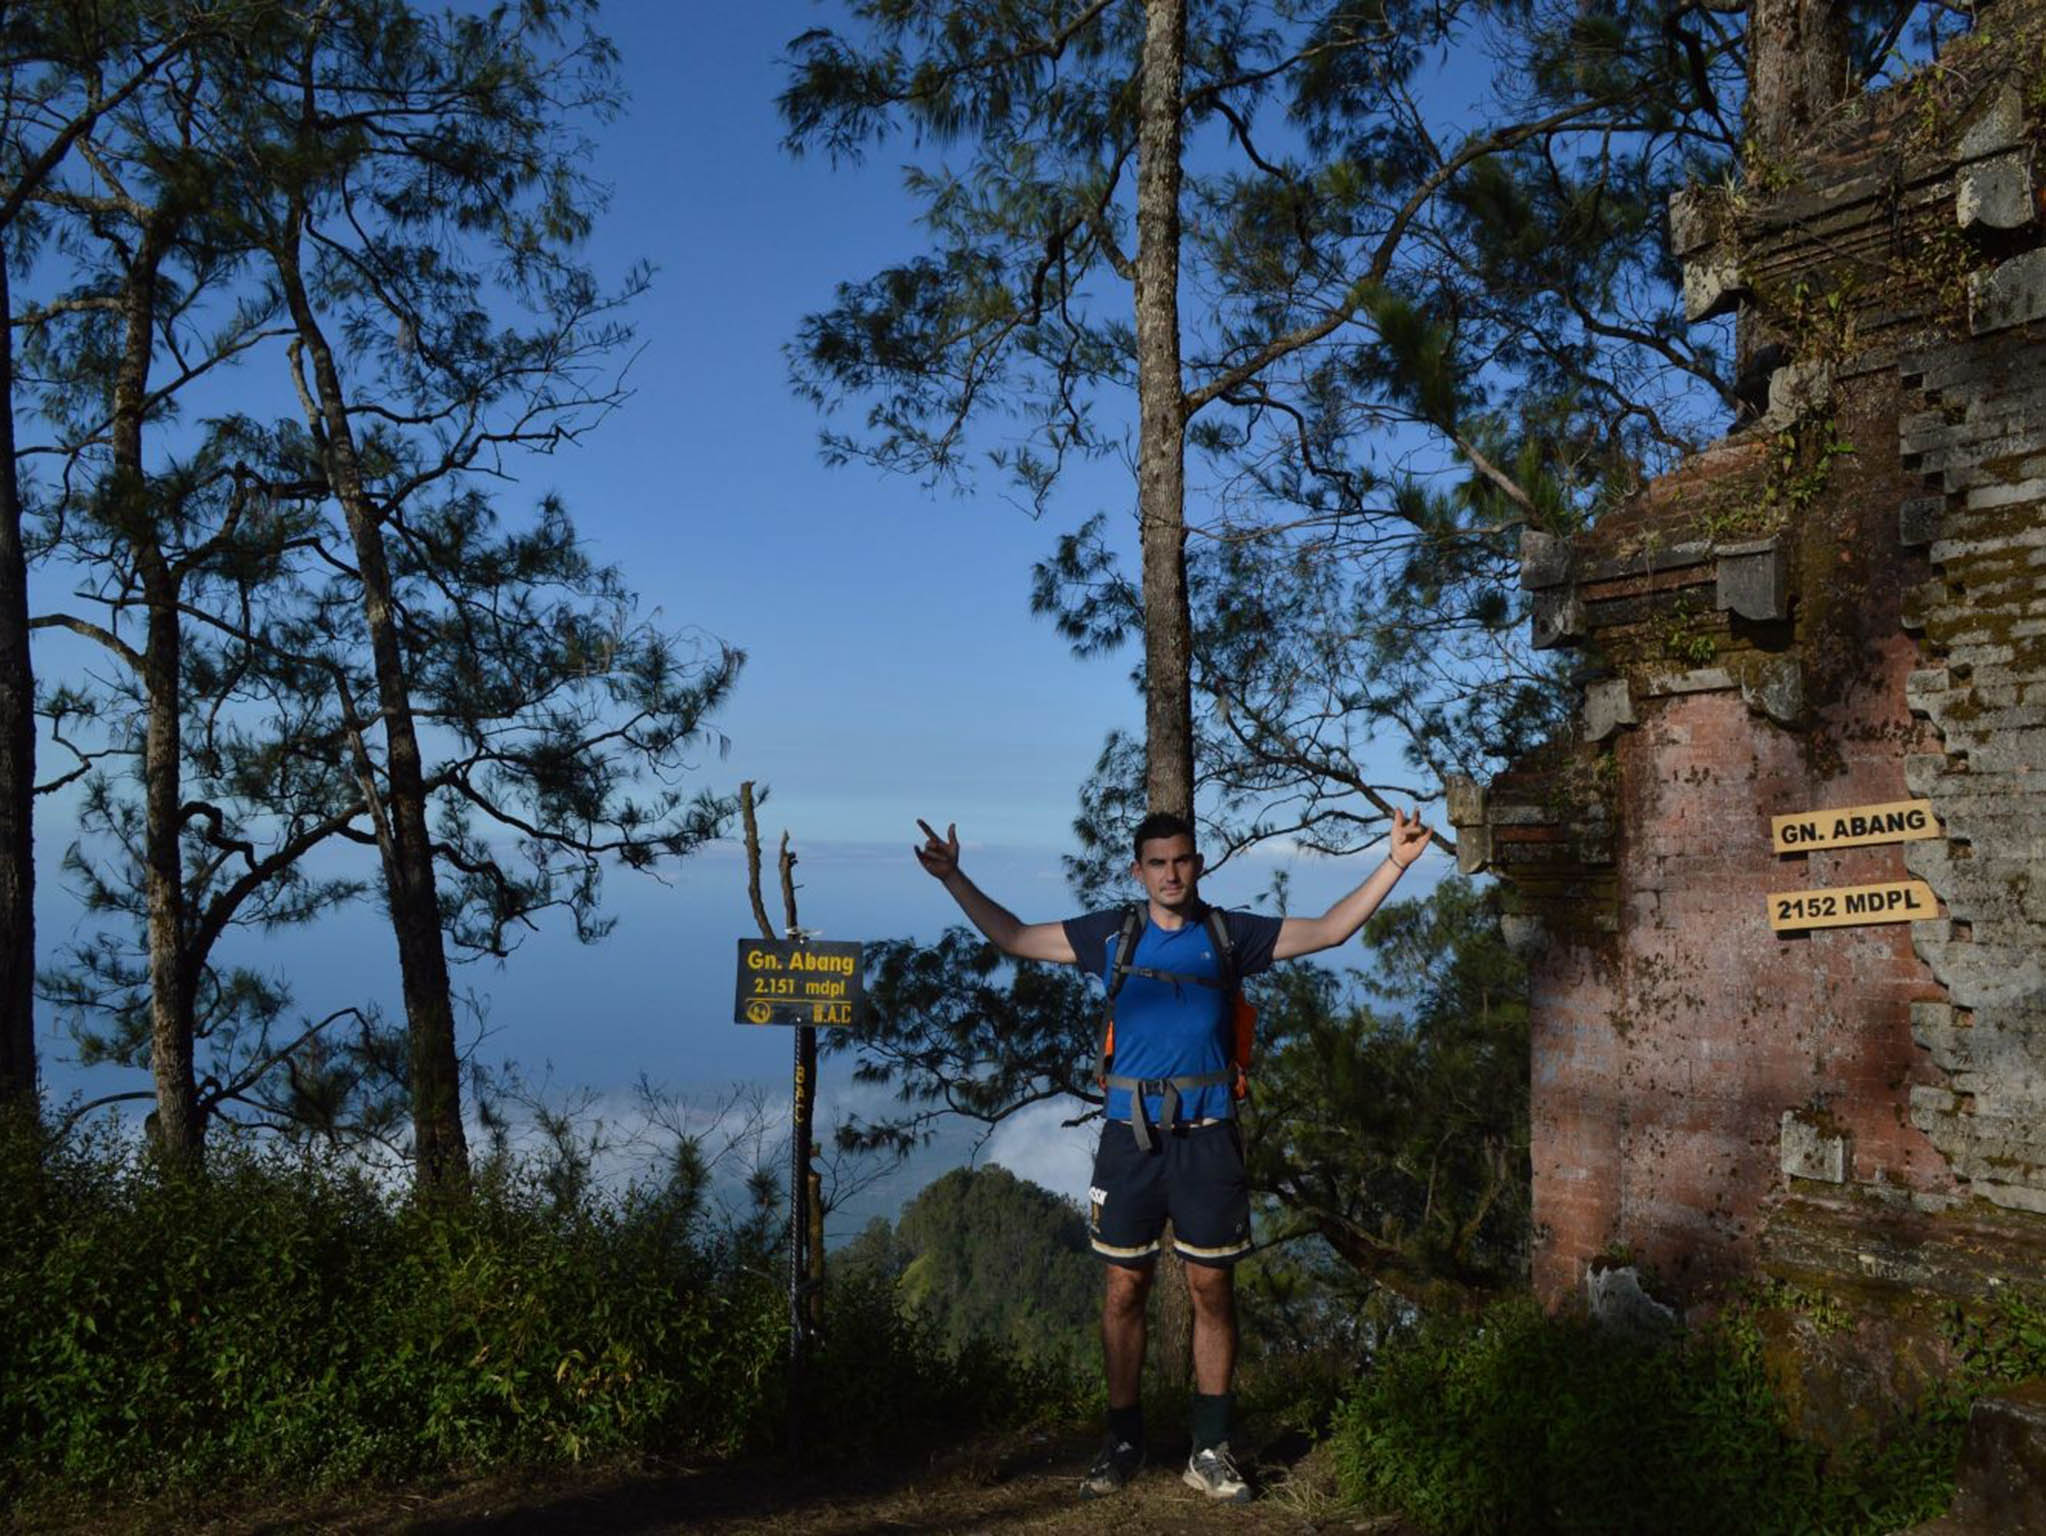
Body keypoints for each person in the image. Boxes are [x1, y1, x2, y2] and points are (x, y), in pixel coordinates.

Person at [913, 806, 1431, 1503]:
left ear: (1199, 865)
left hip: (1210, 1137)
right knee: (1123, 1290)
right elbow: (1012, 937)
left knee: (1211, 1289)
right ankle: (1123, 1441)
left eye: (1181, 860)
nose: (1170, 873)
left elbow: (1332, 928)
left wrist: (1394, 861)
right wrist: (954, 877)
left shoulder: (1228, 935)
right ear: (1138, 871)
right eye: (1157, 863)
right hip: (1129, 1142)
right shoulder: (1112, 934)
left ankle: (1210, 1448)